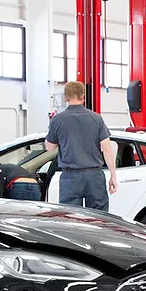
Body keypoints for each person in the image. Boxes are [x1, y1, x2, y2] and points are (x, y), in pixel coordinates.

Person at [45, 81, 117, 211]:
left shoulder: (57, 120)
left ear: (65, 97)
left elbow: (49, 148)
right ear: (83, 96)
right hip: (95, 176)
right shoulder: (97, 118)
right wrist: (113, 176)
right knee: (99, 220)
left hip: (70, 178)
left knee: (72, 220)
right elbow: (107, 149)